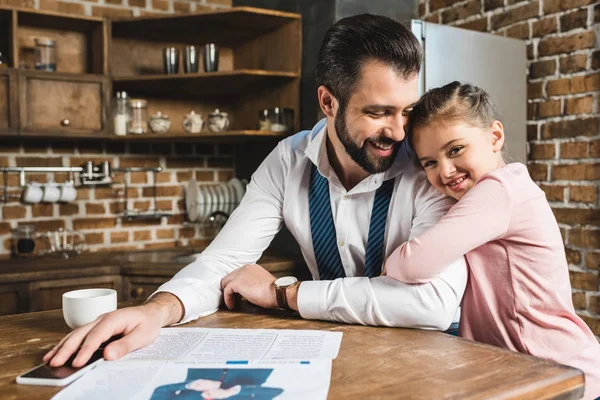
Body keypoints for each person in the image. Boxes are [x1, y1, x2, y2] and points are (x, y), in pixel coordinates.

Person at [44, 14, 467, 370]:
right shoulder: (288, 161)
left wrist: (284, 295)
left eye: (407, 111)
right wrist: (157, 310)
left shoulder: (430, 169)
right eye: (377, 112)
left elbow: (433, 304)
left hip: (433, 362)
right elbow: (225, 260)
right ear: (328, 102)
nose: (397, 131)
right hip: (334, 359)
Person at [383, 81, 600, 400]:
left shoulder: (499, 191)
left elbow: (414, 262)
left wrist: (389, 262)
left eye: (455, 149)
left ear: (495, 136)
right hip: (527, 370)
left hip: (562, 375)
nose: (444, 170)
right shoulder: (484, 195)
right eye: (429, 162)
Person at [150, 368, 283, 400]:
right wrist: (230, 392)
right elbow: (274, 392)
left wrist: (191, 385)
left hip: (204, 367)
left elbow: (160, 392)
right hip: (250, 370)